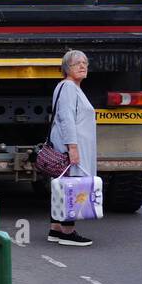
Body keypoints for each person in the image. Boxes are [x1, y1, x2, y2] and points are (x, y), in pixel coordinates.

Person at [48, 49, 97, 246]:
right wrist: (73, 148)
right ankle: (68, 232)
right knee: (73, 187)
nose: (82, 66)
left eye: (85, 63)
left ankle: (56, 229)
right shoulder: (68, 87)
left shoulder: (70, 87)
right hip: (71, 146)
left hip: (70, 145)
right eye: (77, 63)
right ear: (67, 68)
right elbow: (66, 119)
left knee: (62, 187)